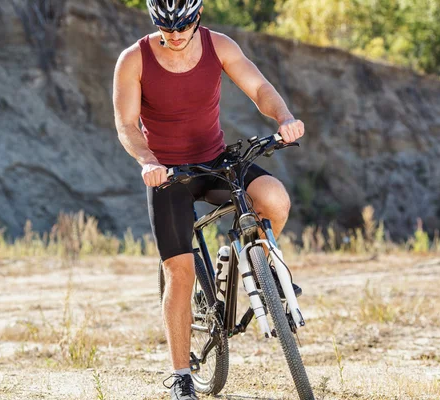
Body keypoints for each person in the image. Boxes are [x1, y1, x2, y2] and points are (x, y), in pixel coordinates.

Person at [113, 0, 304, 398]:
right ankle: (182, 376)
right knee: (180, 273)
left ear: (197, 17)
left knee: (274, 199)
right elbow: (126, 124)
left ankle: (264, 276)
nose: (176, 34)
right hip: (168, 174)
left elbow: (259, 89)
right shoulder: (133, 59)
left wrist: (283, 118)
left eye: (183, 25)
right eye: (167, 27)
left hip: (216, 161)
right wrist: (147, 160)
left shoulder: (219, 46)